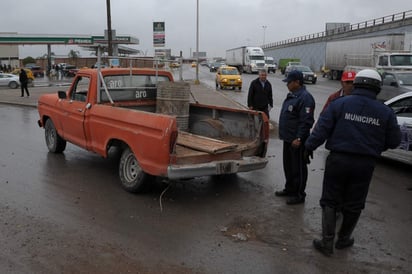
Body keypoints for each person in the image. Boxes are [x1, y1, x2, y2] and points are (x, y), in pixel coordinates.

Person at [305, 69, 401, 256]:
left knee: (330, 200)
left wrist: (308, 147)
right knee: (355, 203)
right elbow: (394, 141)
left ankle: (327, 243)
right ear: (377, 88)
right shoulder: (385, 112)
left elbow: (321, 130)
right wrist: (375, 146)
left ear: (356, 84)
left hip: (338, 160)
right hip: (365, 164)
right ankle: (343, 240)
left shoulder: (340, 104)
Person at [275, 70, 315, 205]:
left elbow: (306, 121)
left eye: (289, 82)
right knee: (288, 166)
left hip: (297, 141)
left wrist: (299, 138)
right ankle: (290, 188)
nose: (287, 85)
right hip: (288, 139)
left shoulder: (305, 98)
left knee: (298, 168)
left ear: (297, 82)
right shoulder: (292, 95)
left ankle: (299, 194)